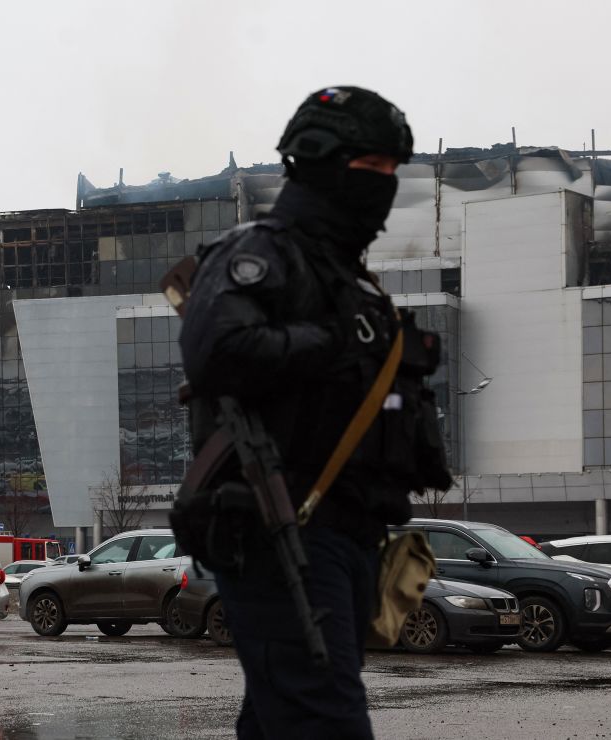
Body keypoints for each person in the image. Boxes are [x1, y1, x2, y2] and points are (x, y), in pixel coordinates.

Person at [178, 86, 446, 738]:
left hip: (350, 533)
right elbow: (218, 348)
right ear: (320, 162)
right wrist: (334, 343)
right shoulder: (265, 254)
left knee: (283, 718)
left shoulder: (349, 279)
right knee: (322, 718)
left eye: (392, 171)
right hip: (283, 529)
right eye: (371, 170)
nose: (385, 186)